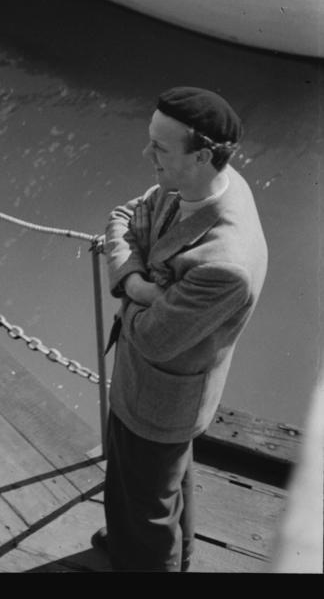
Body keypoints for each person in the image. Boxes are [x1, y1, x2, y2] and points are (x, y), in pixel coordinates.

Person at [96, 86, 268, 571]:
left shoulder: (226, 264)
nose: (145, 154)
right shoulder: (206, 183)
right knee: (165, 480)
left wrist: (134, 292)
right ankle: (180, 548)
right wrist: (139, 284)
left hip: (160, 396)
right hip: (164, 387)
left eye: (159, 147)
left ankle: (148, 560)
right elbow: (125, 216)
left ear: (203, 156)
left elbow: (153, 337)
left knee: (144, 500)